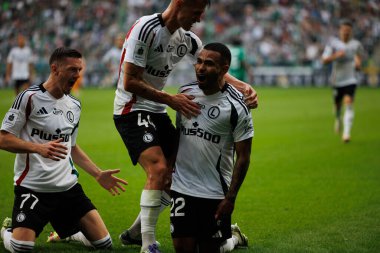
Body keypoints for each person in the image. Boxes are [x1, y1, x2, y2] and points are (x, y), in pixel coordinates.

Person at [113, 1, 257, 252]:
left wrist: (243, 87)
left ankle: (135, 232)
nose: (200, 18)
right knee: (159, 168)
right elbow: (130, 81)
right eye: (197, 11)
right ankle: (148, 245)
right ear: (180, 3)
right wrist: (171, 100)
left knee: (176, 174)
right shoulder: (145, 28)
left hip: (157, 110)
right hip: (131, 108)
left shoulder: (188, 40)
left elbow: (217, 67)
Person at [0, 47, 128, 253]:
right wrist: (37, 148)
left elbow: (72, 147)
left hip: (67, 188)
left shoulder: (74, 105)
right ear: (55, 69)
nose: (77, 75)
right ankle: (7, 231)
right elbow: (3, 138)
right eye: (72, 70)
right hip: (33, 188)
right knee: (21, 247)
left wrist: (97, 174)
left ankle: (69, 235)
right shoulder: (28, 98)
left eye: (80, 69)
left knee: (104, 244)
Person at [170, 42, 253, 253]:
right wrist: (169, 171)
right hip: (183, 186)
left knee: (209, 249)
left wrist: (230, 198)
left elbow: (243, 157)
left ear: (224, 69)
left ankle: (233, 239)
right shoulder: (185, 93)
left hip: (215, 192)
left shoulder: (236, 107)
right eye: (198, 62)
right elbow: (177, 137)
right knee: (183, 248)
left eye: (208, 63)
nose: (200, 68)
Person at [321, 19, 365, 142]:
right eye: (344, 30)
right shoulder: (333, 44)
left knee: (349, 102)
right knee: (337, 106)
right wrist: (336, 56)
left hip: (351, 79)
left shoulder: (356, 44)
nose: (346, 32)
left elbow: (358, 56)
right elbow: (323, 60)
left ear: (351, 32)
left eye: (348, 30)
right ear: (340, 30)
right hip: (337, 80)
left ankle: (346, 133)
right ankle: (338, 119)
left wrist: (358, 63)